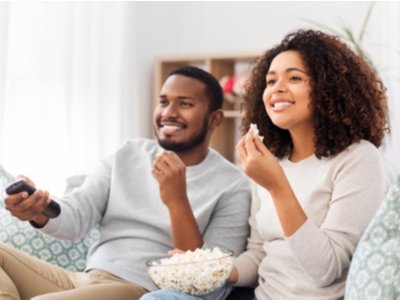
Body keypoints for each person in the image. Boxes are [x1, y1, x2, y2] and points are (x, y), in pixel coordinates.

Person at [0, 66, 251, 300]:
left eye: (185, 104)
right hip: (86, 280)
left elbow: (209, 279)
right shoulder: (128, 154)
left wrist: (177, 200)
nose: (168, 112)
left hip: (140, 290)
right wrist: (38, 208)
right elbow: (76, 216)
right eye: (163, 101)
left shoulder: (232, 185)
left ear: (215, 119)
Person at [230, 29, 388, 299]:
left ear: (328, 87)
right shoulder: (270, 160)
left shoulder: (358, 159)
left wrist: (278, 186)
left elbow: (326, 269)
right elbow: (259, 254)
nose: (277, 89)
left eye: (294, 78)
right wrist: (212, 270)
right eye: (270, 81)